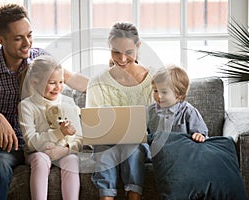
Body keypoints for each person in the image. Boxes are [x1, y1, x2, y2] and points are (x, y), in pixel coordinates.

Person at [0, 4, 87, 200]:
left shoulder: (39, 60)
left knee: (0, 163)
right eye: (18, 38)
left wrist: (117, 83)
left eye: (29, 35)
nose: (27, 43)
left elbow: (76, 82)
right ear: (1, 40)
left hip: (15, 146)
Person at [86, 22, 152, 200]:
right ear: (109, 48)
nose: (122, 59)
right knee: (103, 150)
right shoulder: (97, 82)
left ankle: (134, 196)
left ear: (138, 47)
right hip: (107, 144)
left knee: (132, 145)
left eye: (128, 52)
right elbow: (92, 129)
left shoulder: (154, 80)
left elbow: (159, 122)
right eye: (116, 52)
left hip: (141, 145)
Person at [18, 55, 82, 200]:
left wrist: (65, 149)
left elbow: (79, 138)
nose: (58, 87)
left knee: (71, 160)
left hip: (63, 151)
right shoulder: (27, 106)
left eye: (61, 82)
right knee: (41, 159)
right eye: (52, 83)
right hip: (38, 152)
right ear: (35, 83)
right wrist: (59, 133)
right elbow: (31, 142)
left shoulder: (68, 102)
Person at [146, 65, 208, 156]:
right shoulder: (150, 111)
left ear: (178, 94)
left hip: (180, 153)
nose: (158, 96)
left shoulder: (188, 111)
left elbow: (201, 132)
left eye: (164, 92)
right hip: (155, 153)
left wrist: (199, 135)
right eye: (155, 91)